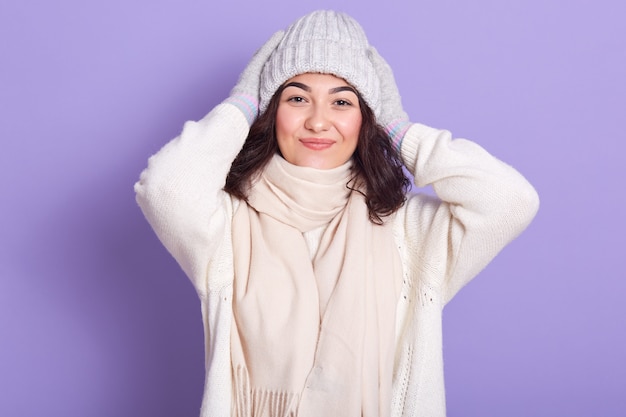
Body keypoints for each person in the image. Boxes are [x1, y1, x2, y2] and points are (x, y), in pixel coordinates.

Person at [135, 10, 539, 417]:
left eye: (342, 102)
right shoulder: (225, 223)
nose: (317, 121)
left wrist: (398, 128)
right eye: (297, 98)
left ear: (367, 119)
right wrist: (241, 105)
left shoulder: (408, 230)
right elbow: (165, 189)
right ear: (272, 111)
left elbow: (511, 200)